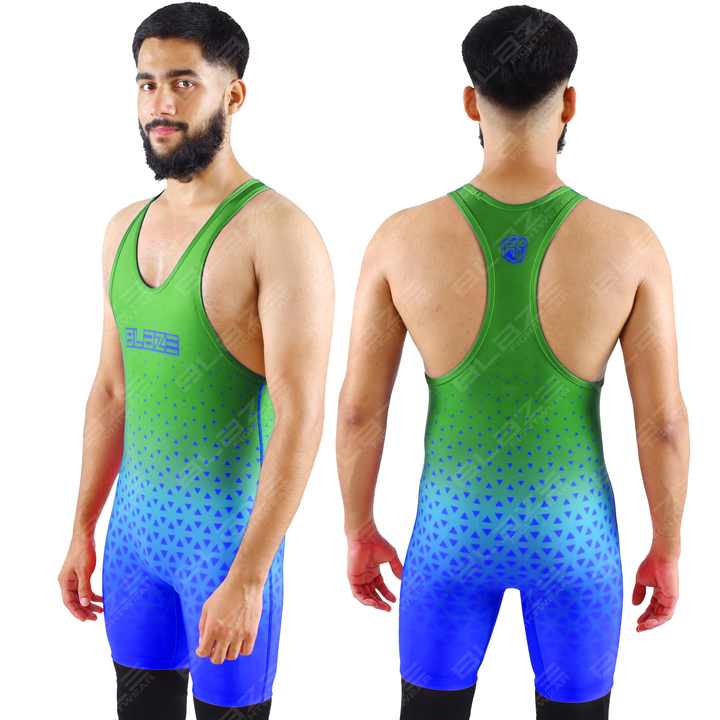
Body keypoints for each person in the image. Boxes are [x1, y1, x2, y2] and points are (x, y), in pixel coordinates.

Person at [336, 5, 689, 719]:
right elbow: (662, 423)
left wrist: (359, 528)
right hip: (574, 539)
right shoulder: (630, 244)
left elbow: (359, 412)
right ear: (570, 102)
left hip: (450, 535)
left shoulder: (401, 239)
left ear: (471, 101)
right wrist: (668, 547)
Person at [57, 4, 333, 719]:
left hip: (227, 548)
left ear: (233, 95)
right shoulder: (123, 228)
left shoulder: (279, 233)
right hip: (132, 544)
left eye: (184, 83)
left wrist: (250, 575)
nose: (161, 103)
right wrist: (82, 526)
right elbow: (111, 392)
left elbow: (302, 416)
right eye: (147, 84)